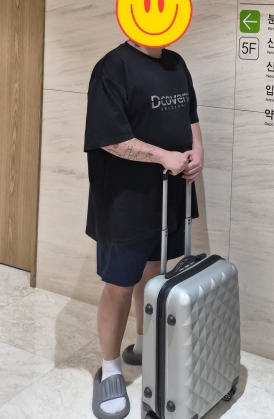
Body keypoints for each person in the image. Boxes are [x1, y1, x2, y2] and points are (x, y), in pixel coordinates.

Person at [84, 39, 204, 419]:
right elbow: (109, 138)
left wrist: (197, 151)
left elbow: (191, 114)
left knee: (155, 273)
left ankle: (143, 345)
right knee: (120, 284)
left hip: (170, 192)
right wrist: (163, 155)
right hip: (124, 200)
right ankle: (110, 369)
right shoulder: (112, 67)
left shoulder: (176, 63)